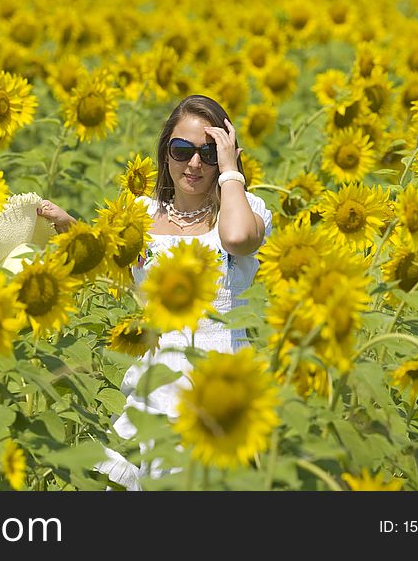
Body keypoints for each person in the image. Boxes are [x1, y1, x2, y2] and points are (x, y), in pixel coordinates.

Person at [37, 94, 273, 490]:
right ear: (165, 153)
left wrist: (231, 170)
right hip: (155, 381)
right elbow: (114, 269)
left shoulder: (244, 208)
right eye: (181, 150)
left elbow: (237, 239)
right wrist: (66, 225)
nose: (194, 163)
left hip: (219, 385)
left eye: (209, 152)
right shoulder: (142, 214)